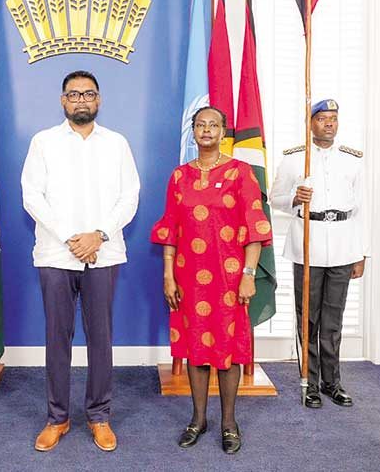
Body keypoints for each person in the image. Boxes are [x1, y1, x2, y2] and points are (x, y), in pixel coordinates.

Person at [21, 70, 140, 452]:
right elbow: (32, 196)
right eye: (73, 94)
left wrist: (98, 235)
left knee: (100, 337)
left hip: (103, 253)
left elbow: (130, 196)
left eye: (88, 94)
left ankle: (99, 415)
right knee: (57, 338)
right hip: (56, 253)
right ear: (63, 101)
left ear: (99, 100)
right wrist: (71, 238)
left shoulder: (117, 143)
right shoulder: (44, 142)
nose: (81, 100)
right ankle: (57, 417)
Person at [151, 106, 272, 454]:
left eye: (213, 125)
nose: (206, 130)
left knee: (228, 351)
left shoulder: (240, 172)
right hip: (188, 279)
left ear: (223, 132)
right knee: (196, 349)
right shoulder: (179, 176)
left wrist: (249, 274)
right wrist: (168, 275)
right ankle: (198, 418)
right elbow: (170, 231)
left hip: (231, 279)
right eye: (200, 124)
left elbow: (254, 229)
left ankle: (229, 422)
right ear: (193, 131)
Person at [269, 98, 368, 409]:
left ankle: (332, 382)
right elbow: (275, 198)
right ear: (310, 123)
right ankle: (308, 383)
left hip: (342, 244)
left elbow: (363, 209)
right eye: (323, 118)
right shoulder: (295, 160)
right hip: (307, 246)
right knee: (308, 318)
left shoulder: (353, 160)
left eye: (334, 119)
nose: (329, 124)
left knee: (333, 320)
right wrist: (295, 198)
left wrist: (362, 252)